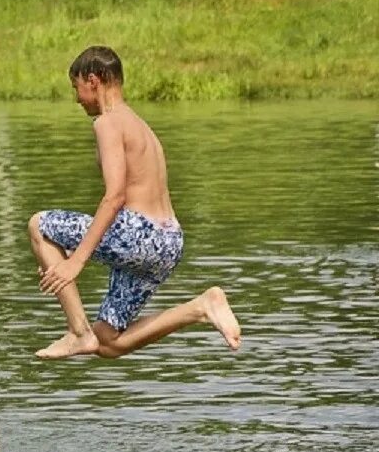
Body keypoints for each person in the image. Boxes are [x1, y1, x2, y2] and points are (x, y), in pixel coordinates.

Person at [28, 45, 242, 360]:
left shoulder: (108, 122)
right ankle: (200, 307)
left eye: (76, 89)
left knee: (39, 226)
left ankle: (76, 331)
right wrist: (60, 257)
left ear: (93, 80)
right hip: (168, 242)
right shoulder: (141, 125)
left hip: (139, 234)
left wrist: (75, 262)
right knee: (108, 342)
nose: (77, 99)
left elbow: (115, 196)